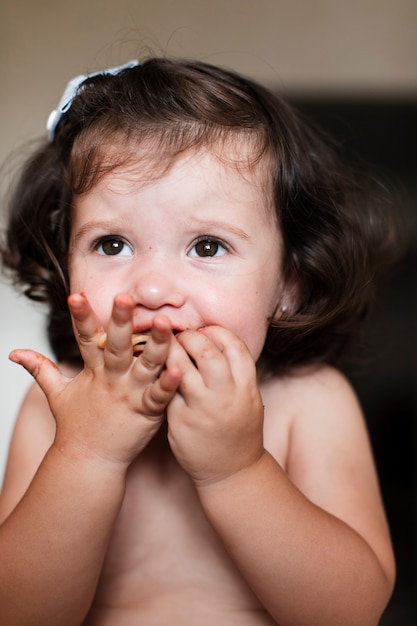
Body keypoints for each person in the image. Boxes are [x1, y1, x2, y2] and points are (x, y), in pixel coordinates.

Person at [0, 56, 397, 626]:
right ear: (65, 264)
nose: (154, 287)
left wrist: (237, 469)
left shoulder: (308, 400)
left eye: (207, 247)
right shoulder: (58, 405)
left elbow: (350, 611)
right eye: (112, 245)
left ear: (287, 284)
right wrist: (86, 453)